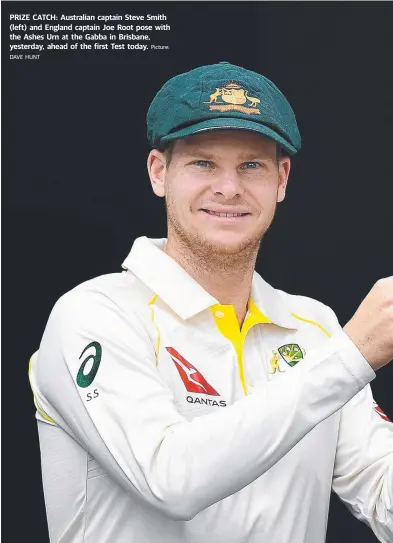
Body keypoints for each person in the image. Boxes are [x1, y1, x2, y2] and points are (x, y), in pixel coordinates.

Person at [29, 61, 393, 543]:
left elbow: (381, 491)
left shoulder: (315, 327)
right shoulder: (95, 313)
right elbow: (168, 480)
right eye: (203, 162)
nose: (228, 187)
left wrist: (342, 353)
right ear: (159, 172)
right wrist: (350, 357)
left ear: (282, 180)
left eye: (252, 165)